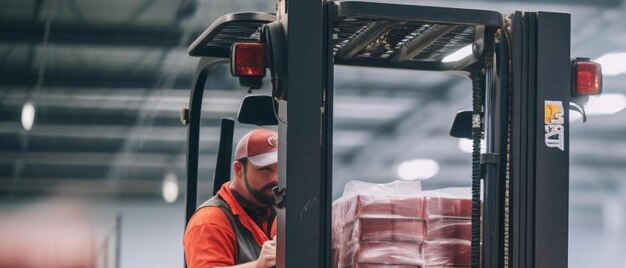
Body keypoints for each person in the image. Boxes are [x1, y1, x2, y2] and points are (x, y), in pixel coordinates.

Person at [184, 129, 279, 268]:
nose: (275, 178)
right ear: (239, 169)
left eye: (280, 168)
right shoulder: (210, 221)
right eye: (265, 169)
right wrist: (258, 266)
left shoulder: (278, 212)